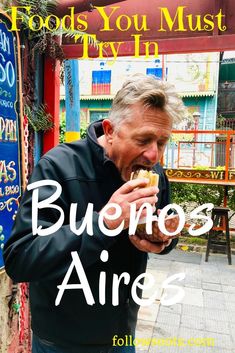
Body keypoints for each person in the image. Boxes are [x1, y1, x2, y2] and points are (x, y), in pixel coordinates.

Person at [3, 74, 186, 353]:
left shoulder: (154, 173)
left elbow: (160, 226)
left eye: (162, 142)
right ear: (111, 130)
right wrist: (105, 222)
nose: (154, 156)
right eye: (144, 139)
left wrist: (161, 236)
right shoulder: (57, 168)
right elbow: (21, 258)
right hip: (61, 342)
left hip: (122, 337)